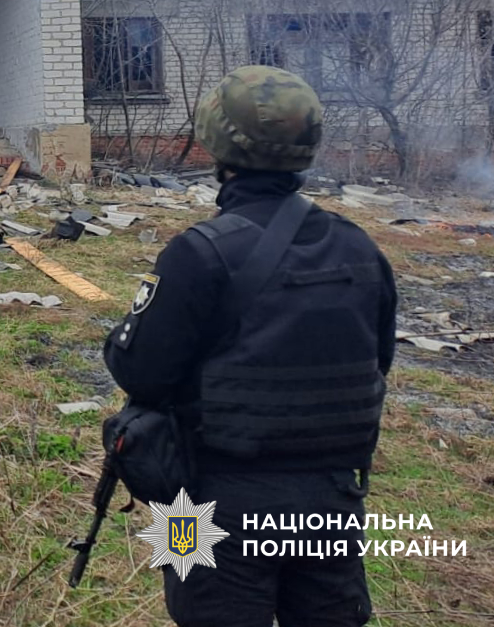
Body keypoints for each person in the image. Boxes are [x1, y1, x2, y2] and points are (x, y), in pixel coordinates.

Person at [104, 65, 397, 627]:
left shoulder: (197, 252)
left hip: (197, 501)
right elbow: (377, 364)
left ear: (217, 143)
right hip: (332, 501)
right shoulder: (360, 248)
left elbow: (142, 375)